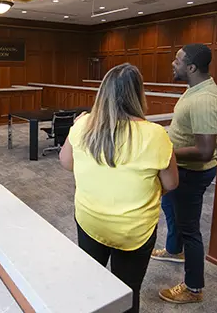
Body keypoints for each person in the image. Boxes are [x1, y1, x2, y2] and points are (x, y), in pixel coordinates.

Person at [59, 63, 179, 313]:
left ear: (102, 93)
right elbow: (171, 183)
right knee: (128, 291)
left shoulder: (83, 125)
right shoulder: (155, 134)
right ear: (138, 94)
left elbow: (66, 162)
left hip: (90, 220)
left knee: (92, 283)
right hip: (134, 231)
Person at [151, 43, 217, 304]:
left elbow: (205, 151)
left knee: (190, 228)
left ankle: (194, 288)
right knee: (171, 208)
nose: (173, 63)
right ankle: (173, 250)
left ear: (191, 67)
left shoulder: (204, 100)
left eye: (178, 60)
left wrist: (167, 152)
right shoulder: (195, 89)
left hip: (192, 173)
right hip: (181, 169)